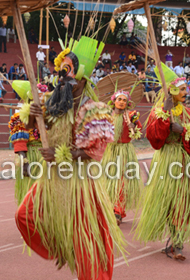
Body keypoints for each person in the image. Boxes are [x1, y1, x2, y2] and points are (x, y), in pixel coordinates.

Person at [15, 36, 125, 279]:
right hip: (51, 178)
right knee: (24, 215)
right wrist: (34, 115)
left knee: (87, 238)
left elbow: (94, 152)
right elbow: (36, 126)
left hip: (80, 182)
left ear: (82, 80)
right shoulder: (53, 101)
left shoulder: (93, 108)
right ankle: (61, 245)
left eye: (69, 73)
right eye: (61, 72)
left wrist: (63, 155)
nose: (64, 78)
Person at [135, 64, 190, 260]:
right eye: (181, 89)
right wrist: (165, 117)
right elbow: (154, 139)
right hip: (165, 160)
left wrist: (182, 132)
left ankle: (178, 240)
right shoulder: (158, 112)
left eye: (185, 89)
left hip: (183, 163)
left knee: (181, 202)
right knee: (165, 201)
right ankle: (171, 235)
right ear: (170, 92)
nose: (185, 92)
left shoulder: (189, 114)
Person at [100, 89, 142, 225]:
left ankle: (118, 212)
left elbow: (137, 135)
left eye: (124, 100)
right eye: (119, 99)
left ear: (128, 103)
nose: (122, 102)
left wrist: (133, 127)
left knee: (121, 182)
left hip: (124, 152)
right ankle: (109, 209)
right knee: (108, 182)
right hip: (110, 151)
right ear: (114, 101)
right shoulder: (107, 116)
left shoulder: (131, 115)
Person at [9, 81, 42, 204]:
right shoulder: (20, 117)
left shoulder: (43, 114)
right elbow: (20, 143)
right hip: (31, 157)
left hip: (43, 158)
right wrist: (24, 162)